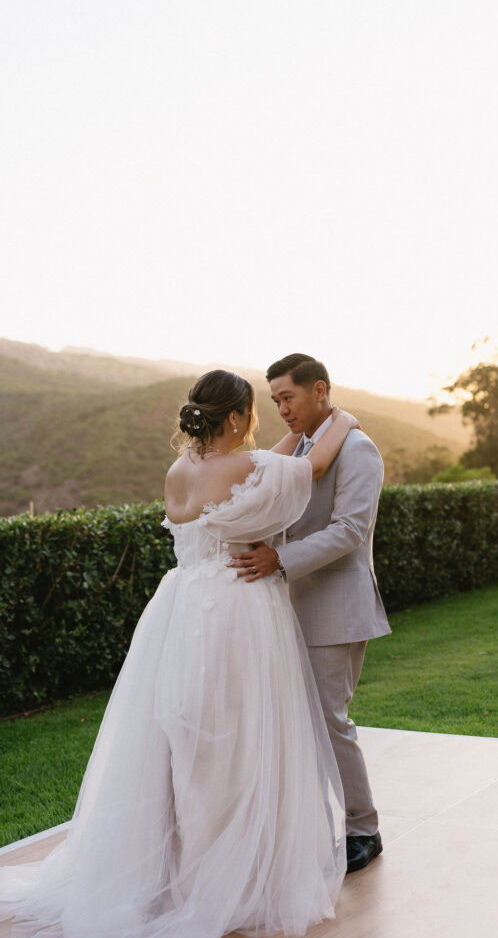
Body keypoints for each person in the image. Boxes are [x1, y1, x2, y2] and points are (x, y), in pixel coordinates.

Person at [0, 369, 360, 938]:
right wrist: (341, 419)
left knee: (184, 735)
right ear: (236, 418)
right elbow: (309, 467)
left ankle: (181, 863)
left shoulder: (181, 469)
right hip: (235, 608)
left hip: (181, 606)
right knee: (239, 737)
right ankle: (230, 871)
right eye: (254, 413)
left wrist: (296, 433)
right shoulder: (245, 467)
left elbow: (267, 462)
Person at [231, 354, 391, 874]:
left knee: (330, 722)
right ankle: (312, 825)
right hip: (287, 607)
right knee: (297, 724)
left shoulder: (358, 449)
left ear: (319, 390)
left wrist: (280, 559)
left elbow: (350, 530)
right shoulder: (301, 448)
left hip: (335, 609)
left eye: (288, 397)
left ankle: (363, 829)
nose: (281, 408)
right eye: (275, 400)